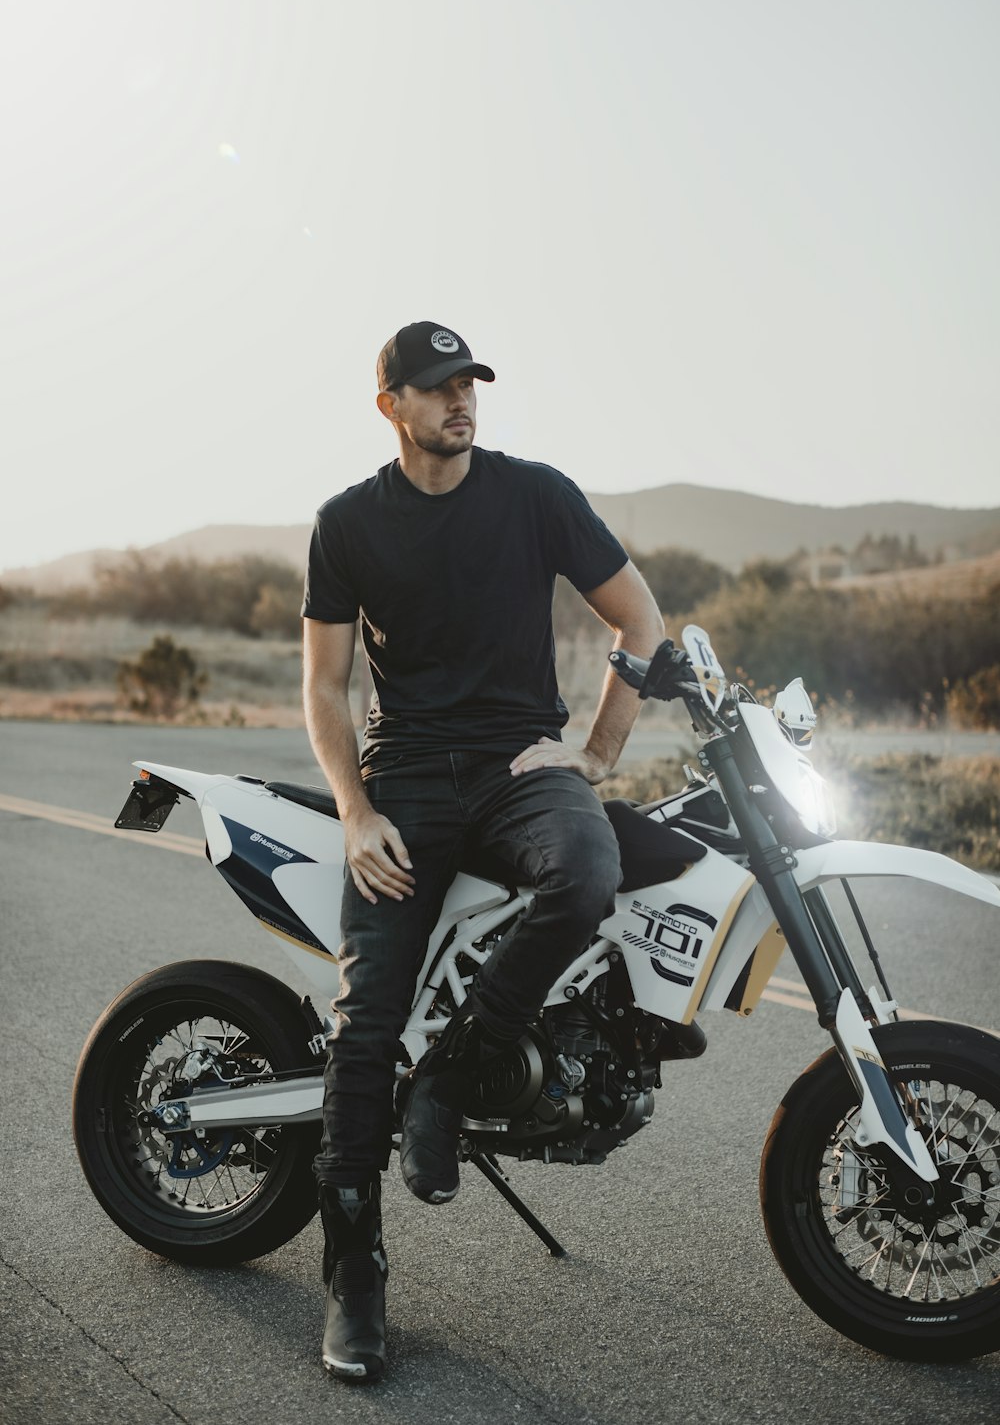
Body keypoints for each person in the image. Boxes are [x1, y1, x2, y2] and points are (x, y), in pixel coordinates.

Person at [301, 320, 664, 1383]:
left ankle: (451, 1081)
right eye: (435, 386)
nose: (460, 400)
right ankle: (354, 1277)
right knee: (365, 1022)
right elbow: (324, 689)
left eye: (469, 383)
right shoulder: (348, 523)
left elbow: (641, 620)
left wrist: (593, 751)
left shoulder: (535, 493)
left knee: (588, 874)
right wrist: (355, 811)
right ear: (392, 407)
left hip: (521, 768)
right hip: (406, 780)